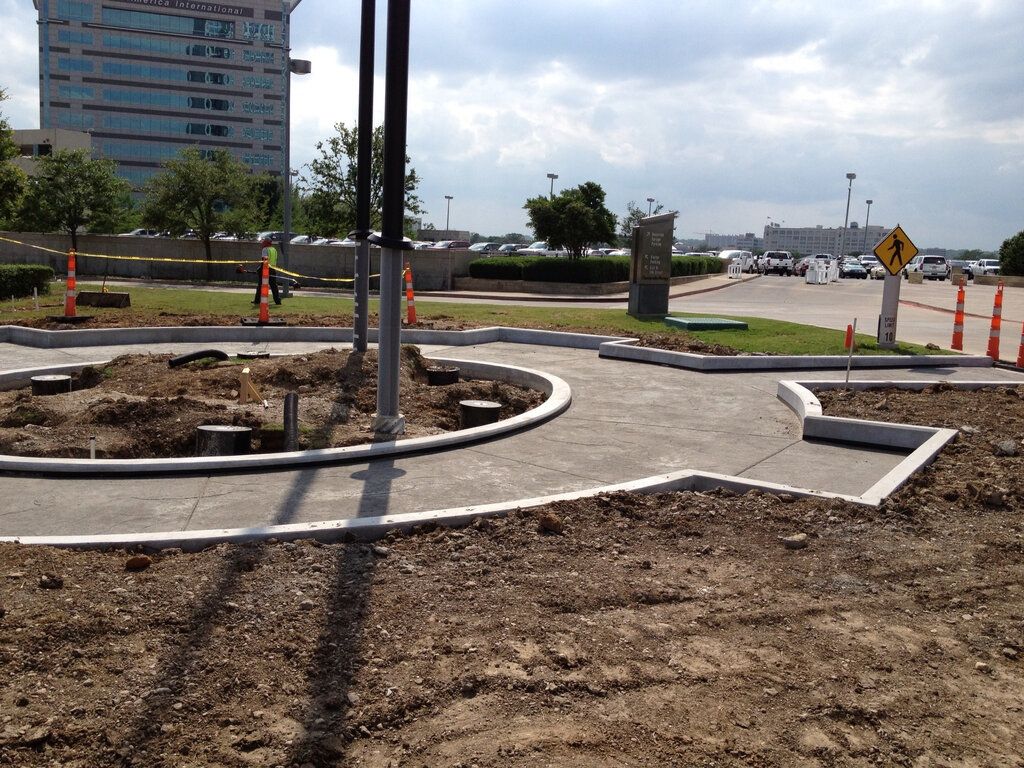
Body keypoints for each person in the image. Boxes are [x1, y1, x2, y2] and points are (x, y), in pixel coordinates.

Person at [252, 237, 281, 305]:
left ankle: (257, 300)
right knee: (274, 286)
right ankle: (278, 301)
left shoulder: (265, 249)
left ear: (266, 243)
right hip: (273, 269)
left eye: (263, 242)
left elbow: (264, 261)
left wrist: (260, 269)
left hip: (266, 269)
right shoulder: (274, 249)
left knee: (260, 286)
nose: (262, 243)